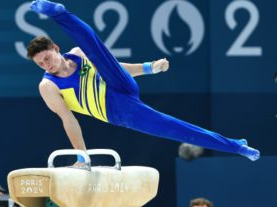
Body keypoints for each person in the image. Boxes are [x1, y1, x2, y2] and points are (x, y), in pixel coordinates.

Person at [27, 0, 259, 167]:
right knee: (177, 128)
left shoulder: (77, 54)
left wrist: (150, 67)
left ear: (56, 48)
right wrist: (82, 156)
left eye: (47, 58)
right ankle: (237, 146)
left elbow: (115, 68)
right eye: (40, 64)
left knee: (93, 47)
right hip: (120, 111)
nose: (46, 65)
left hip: (119, 85)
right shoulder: (48, 86)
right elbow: (69, 120)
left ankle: (59, 14)